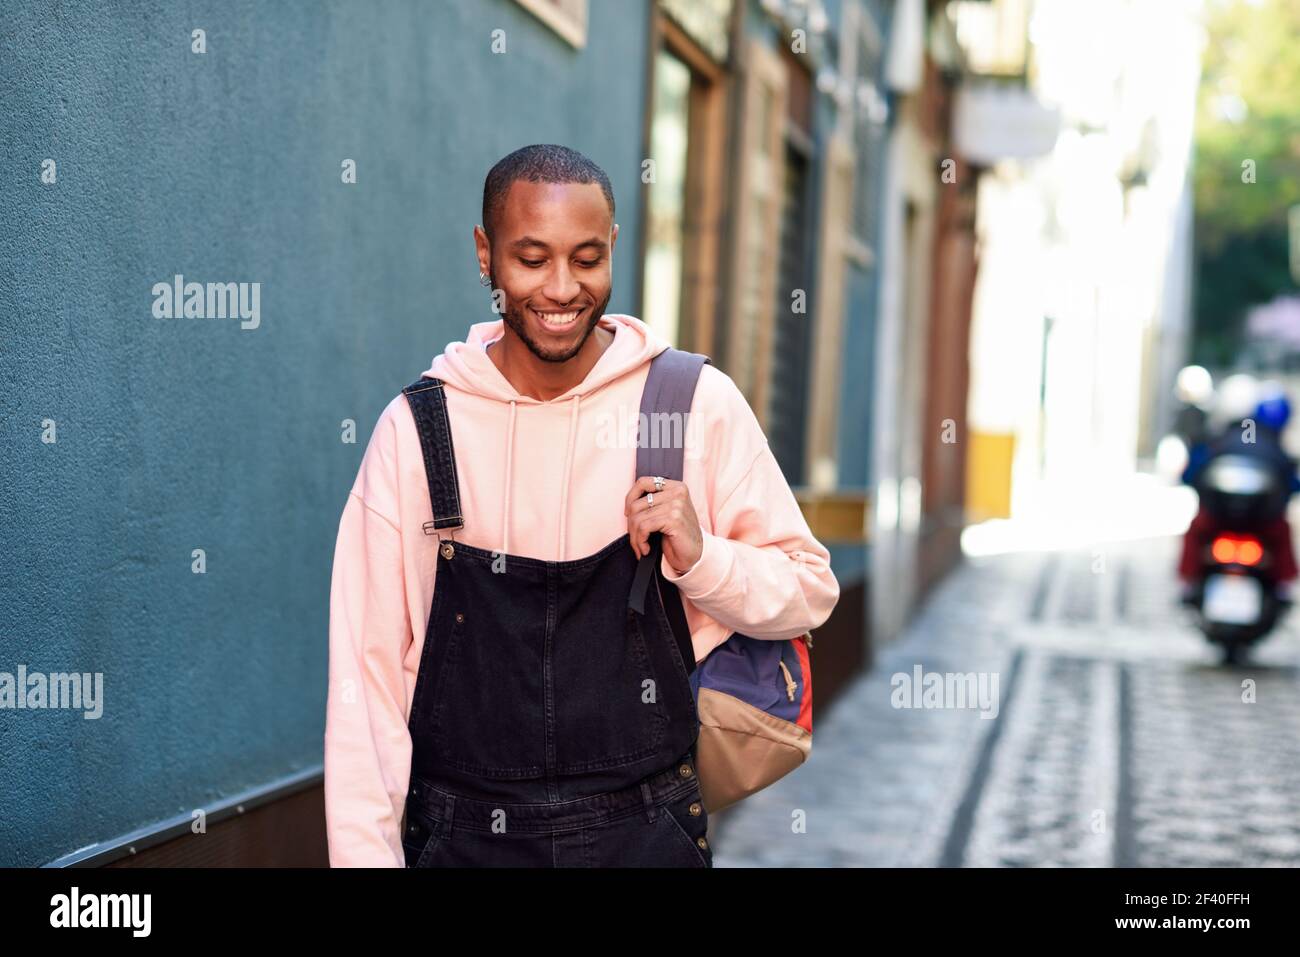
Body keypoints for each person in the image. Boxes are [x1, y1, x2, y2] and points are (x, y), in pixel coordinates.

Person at [323, 144, 840, 867]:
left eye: (586, 258)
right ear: (485, 254)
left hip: (647, 834)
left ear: (614, 249)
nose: (562, 288)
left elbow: (809, 593)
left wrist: (704, 557)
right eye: (531, 259)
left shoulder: (689, 405)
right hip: (462, 842)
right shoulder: (417, 434)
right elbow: (366, 688)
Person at [1178, 387, 1300, 604]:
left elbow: (1191, 474)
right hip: (1260, 523)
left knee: (1195, 530)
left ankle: (1188, 583)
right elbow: (1290, 483)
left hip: (1220, 521)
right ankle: (1283, 587)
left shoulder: (1218, 440)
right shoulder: (1270, 444)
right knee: (1282, 530)